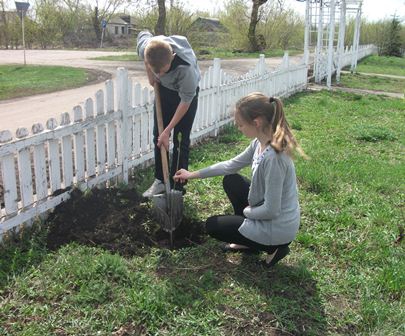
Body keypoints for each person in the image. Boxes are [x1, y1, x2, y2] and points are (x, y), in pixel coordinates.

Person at [174, 93, 307, 267]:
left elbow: (272, 210)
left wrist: (247, 212)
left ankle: (275, 247)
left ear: (256, 122)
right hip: (266, 212)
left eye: (240, 124)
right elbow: (231, 165)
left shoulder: (275, 158)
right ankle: (248, 242)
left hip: (277, 227)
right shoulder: (260, 142)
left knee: (213, 226)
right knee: (232, 180)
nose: (239, 128)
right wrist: (191, 174)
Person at [136, 30, 201, 197]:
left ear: (172, 57)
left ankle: (177, 186)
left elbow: (185, 102)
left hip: (185, 97)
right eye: (157, 70)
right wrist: (151, 74)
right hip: (164, 91)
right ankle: (160, 179)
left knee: (180, 138)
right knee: (159, 137)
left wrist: (168, 130)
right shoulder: (147, 48)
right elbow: (144, 38)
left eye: (163, 71)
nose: (161, 74)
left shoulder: (186, 69)